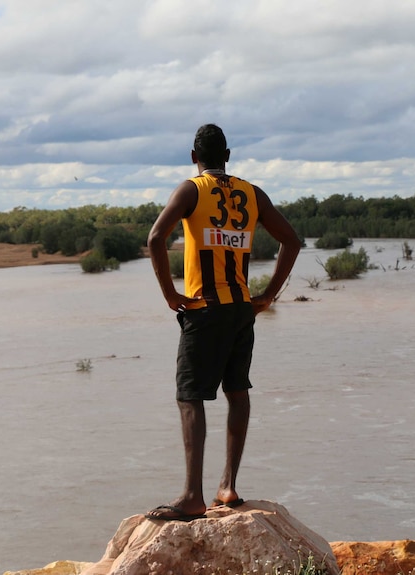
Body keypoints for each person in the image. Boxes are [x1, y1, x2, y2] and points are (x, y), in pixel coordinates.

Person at [145, 124, 301, 521]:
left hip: (204, 308)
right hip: (240, 309)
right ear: (227, 156)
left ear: (193, 156)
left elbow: (155, 238)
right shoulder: (251, 192)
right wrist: (266, 297)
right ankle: (228, 486)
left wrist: (169, 294)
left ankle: (192, 497)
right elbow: (292, 241)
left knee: (190, 396)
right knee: (237, 390)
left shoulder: (191, 189)